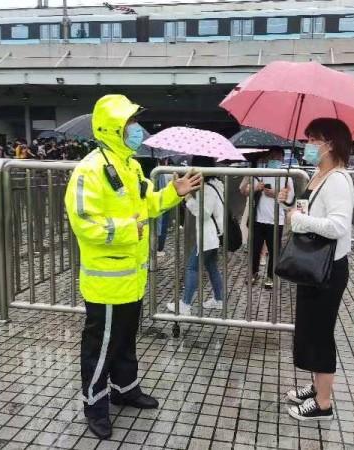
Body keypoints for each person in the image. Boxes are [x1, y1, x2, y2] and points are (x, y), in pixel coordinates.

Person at [64, 94, 201, 440]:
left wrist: (174, 192)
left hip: (132, 277)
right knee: (102, 345)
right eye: (129, 124)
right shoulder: (89, 171)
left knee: (125, 340)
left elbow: (147, 206)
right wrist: (131, 230)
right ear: (112, 128)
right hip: (106, 282)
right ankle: (95, 404)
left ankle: (126, 389)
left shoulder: (132, 166)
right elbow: (85, 224)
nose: (137, 129)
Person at [278, 118, 354, 421]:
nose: (308, 145)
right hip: (313, 267)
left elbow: (337, 225)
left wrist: (300, 221)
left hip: (328, 270)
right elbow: (307, 213)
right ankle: (316, 387)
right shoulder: (318, 175)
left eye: (313, 140)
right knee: (310, 330)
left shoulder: (337, 179)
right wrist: (290, 207)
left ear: (330, 144)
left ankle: (324, 404)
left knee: (321, 333)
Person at [166, 156, 224, 314]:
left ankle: (185, 305)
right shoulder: (216, 185)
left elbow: (204, 213)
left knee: (192, 268)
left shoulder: (209, 188)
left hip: (208, 237)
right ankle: (219, 300)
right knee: (212, 267)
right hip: (213, 236)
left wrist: (188, 198)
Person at [240, 147, 294, 289]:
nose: (274, 160)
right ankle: (253, 273)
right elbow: (244, 191)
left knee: (274, 250)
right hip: (258, 218)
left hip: (277, 220)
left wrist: (276, 193)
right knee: (255, 248)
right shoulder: (261, 173)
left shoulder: (286, 176)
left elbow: (290, 199)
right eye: (272, 157)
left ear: (282, 159)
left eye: (277, 157)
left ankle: (271, 276)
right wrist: (257, 188)